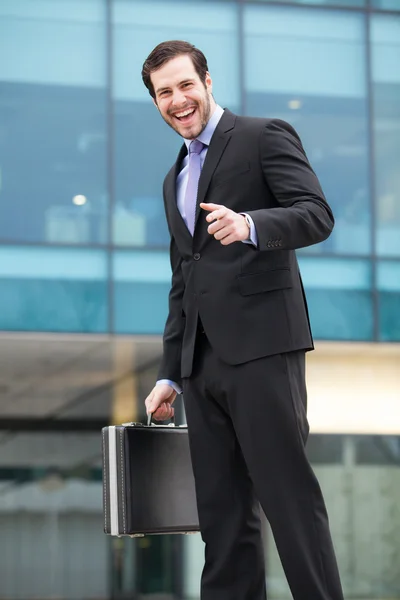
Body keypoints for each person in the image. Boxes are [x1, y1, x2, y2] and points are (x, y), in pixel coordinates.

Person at [142, 40, 344, 600]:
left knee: (288, 499)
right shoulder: (174, 177)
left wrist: (251, 225)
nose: (177, 100)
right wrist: (168, 373)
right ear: (156, 102)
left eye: (185, 85)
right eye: (164, 93)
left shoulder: (262, 135)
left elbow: (317, 215)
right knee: (222, 518)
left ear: (207, 82)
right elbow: (185, 280)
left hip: (262, 349)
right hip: (200, 367)